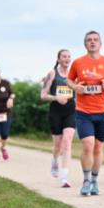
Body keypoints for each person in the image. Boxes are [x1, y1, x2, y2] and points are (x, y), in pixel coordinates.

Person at [67, 31, 104, 197]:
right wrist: (75, 87)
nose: (92, 42)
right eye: (89, 40)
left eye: (95, 40)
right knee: (88, 145)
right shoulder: (77, 63)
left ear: (100, 43)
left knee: (98, 148)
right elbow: (69, 80)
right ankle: (86, 180)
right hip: (84, 111)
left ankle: (95, 180)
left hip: (103, 111)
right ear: (85, 44)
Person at [40, 49, 77, 188]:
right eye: (64, 56)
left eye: (69, 56)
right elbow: (43, 95)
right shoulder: (52, 73)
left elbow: (80, 88)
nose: (67, 59)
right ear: (59, 59)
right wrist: (56, 97)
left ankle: (65, 177)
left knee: (67, 142)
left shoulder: (75, 74)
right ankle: (55, 160)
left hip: (70, 110)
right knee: (58, 145)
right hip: (55, 111)